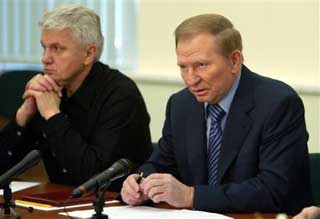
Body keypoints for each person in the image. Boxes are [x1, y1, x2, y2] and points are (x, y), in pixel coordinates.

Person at [120, 14, 312, 213]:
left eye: (202, 65)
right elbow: (161, 164)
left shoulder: (278, 103)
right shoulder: (181, 104)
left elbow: (273, 189)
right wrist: (139, 182)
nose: (191, 80)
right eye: (183, 67)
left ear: (234, 61)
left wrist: (190, 196)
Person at [0, 5, 152, 191]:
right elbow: (3, 167)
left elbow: (94, 178)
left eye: (57, 49)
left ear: (88, 54)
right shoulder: (51, 91)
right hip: (61, 203)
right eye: (44, 47)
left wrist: (53, 116)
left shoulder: (121, 96)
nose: (45, 58)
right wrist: (22, 117)